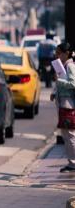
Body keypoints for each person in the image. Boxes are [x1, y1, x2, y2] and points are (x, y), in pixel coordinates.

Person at [50, 42, 75, 173]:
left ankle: (73, 163)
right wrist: (55, 92)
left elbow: (73, 83)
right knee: (67, 134)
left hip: (69, 105)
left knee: (70, 134)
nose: (57, 55)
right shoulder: (64, 65)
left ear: (66, 53)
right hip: (64, 104)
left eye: (59, 53)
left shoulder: (70, 66)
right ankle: (71, 162)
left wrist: (58, 81)